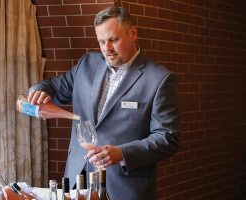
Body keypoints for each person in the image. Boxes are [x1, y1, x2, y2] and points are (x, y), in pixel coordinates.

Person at [27, 6, 180, 200]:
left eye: (113, 40)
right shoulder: (87, 63)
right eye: (101, 41)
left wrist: (122, 153)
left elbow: (168, 138)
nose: (106, 48)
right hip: (76, 179)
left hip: (124, 187)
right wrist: (37, 91)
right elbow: (53, 87)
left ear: (133, 33)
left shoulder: (159, 79)